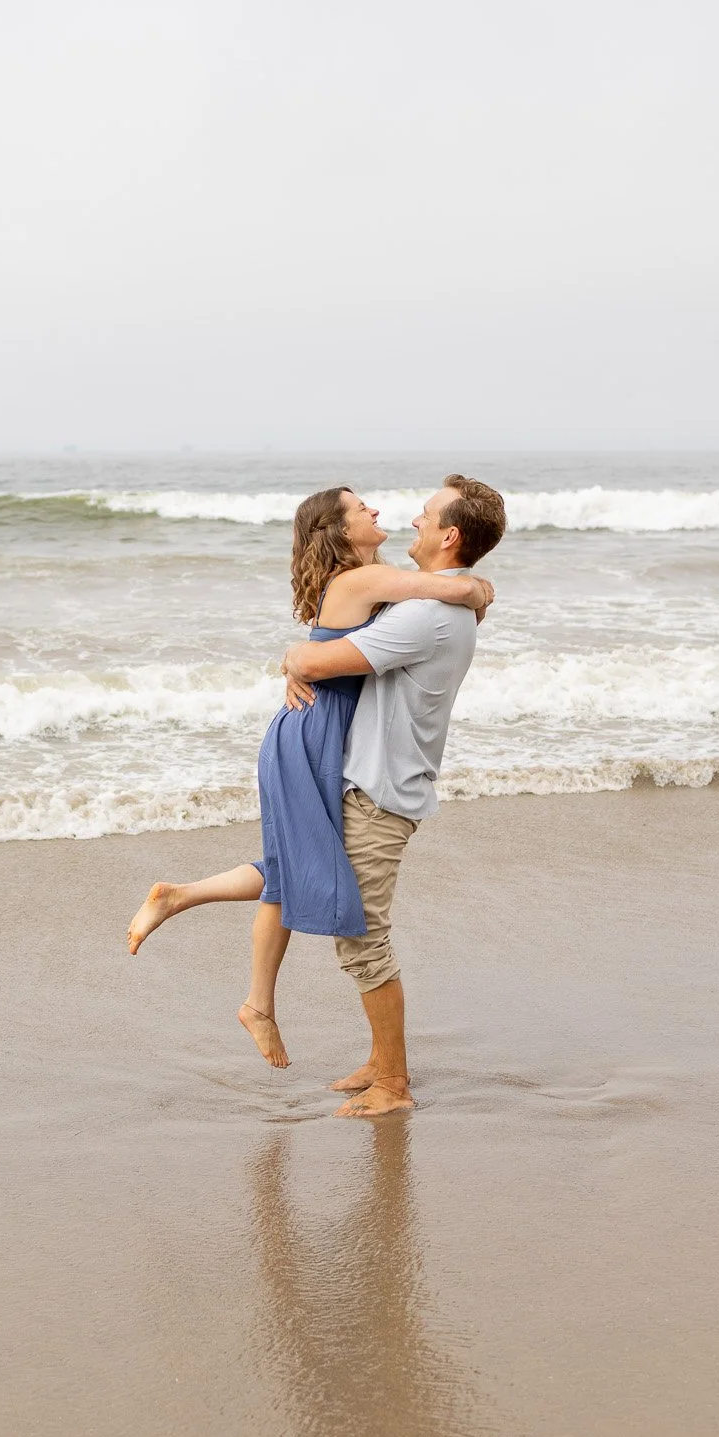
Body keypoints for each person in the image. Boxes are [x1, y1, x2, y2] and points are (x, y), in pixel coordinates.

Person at [125, 487, 493, 1069]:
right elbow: (450, 590)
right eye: (361, 509)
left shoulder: (373, 580)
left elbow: (401, 614)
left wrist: (298, 657)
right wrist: (476, 589)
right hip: (313, 732)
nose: (380, 512)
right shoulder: (365, 580)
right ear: (341, 531)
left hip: (321, 729)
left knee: (298, 863)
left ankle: (193, 913)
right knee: (298, 864)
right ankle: (250, 992)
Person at [279, 474, 507, 1117]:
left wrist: (294, 656)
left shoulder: (425, 616)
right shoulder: (433, 605)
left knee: (363, 940)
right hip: (380, 785)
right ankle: (381, 1063)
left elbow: (315, 662)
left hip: (379, 795)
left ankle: (394, 1085)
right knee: (347, 922)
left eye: (427, 515)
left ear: (450, 535)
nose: (414, 521)